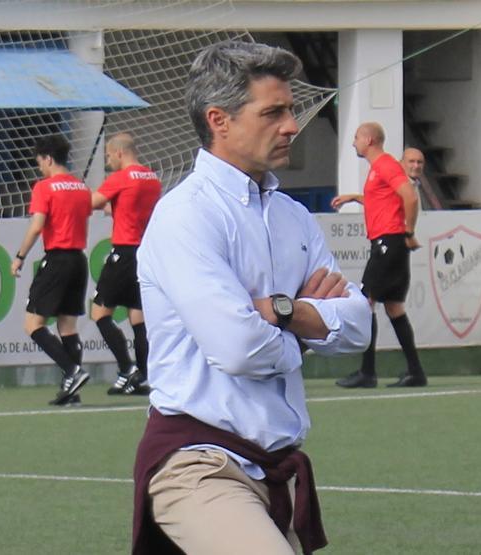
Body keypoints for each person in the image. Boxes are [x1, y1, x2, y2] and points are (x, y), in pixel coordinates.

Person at [131, 41, 372, 555]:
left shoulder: (293, 216)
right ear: (219, 120)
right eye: (274, 112)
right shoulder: (185, 216)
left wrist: (282, 311)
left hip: (270, 467)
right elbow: (239, 348)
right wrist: (307, 328)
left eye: (289, 110)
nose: (292, 125)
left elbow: (358, 325)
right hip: (197, 463)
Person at [330, 122, 429, 388]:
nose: (353, 143)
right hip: (390, 243)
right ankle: (415, 371)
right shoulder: (379, 168)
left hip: (389, 242)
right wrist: (354, 197)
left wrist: (408, 232)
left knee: (364, 302)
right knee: (394, 307)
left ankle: (368, 372)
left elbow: (410, 197)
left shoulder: (385, 164)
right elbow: (384, 199)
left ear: (369, 140)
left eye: (356, 138)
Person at [10, 134, 93, 406]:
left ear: (47, 158)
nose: (40, 168)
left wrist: (20, 256)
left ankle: (72, 371)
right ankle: (72, 392)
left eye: (40, 163)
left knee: (33, 324)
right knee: (68, 326)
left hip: (56, 259)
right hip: (79, 260)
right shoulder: (81, 188)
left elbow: (37, 226)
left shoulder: (44, 188)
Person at [90, 132, 161, 395]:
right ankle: (144, 375)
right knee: (138, 317)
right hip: (145, 253)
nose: (108, 161)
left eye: (109, 156)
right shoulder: (152, 178)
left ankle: (126, 367)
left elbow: (93, 202)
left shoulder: (120, 178)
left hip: (123, 251)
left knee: (99, 313)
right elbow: (133, 207)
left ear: (119, 153)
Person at [402, 146, 445, 210]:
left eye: (419, 162)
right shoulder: (398, 186)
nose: (416, 166)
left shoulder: (415, 184)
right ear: (402, 163)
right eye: (411, 161)